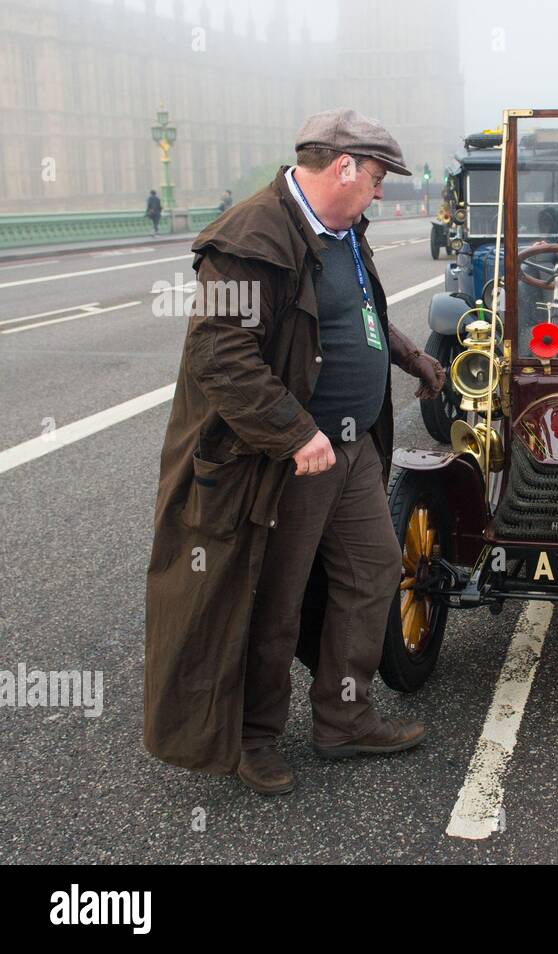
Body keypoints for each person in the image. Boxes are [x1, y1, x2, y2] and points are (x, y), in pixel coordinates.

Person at [144, 108, 446, 794]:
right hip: (290, 459)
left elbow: (357, 313)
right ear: (342, 167)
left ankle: (345, 719)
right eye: (373, 180)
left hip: (353, 448)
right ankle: (252, 738)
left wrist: (409, 358)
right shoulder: (251, 235)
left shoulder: (342, 231)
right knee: (270, 602)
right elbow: (221, 356)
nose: (377, 194)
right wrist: (293, 432)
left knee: (373, 574)